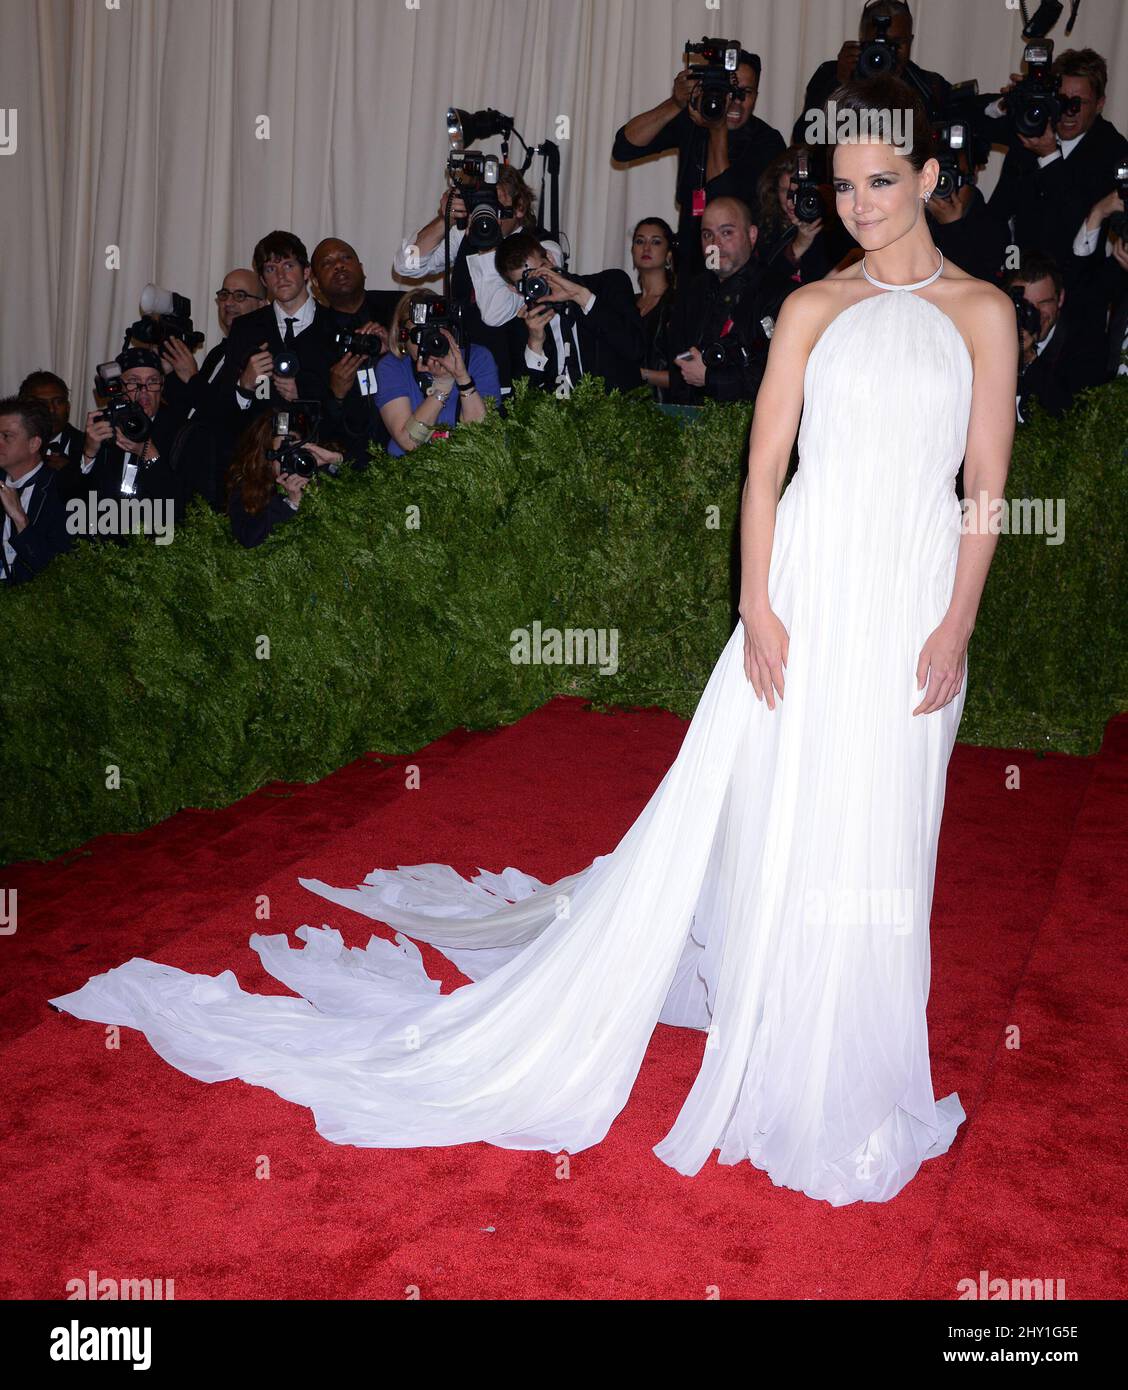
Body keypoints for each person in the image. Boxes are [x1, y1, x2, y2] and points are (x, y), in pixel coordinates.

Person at [50, 75, 1018, 1207]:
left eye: (882, 183)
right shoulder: (812, 308)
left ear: (933, 181)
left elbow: (986, 485)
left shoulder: (982, 314)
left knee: (886, 821)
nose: (859, 204)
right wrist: (757, 605)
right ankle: (782, 1033)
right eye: (843, 185)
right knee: (787, 809)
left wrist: (956, 620)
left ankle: (858, 1047)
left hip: (909, 592)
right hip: (805, 583)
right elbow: (763, 472)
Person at [612, 43, 784, 281]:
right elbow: (624, 147)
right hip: (691, 256)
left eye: (745, 93)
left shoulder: (767, 140)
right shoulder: (694, 120)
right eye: (729, 91)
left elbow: (722, 199)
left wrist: (717, 128)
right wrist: (675, 103)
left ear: (756, 95)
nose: (735, 101)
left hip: (739, 267)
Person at [393, 168, 564, 396]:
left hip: (519, 377)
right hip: (466, 370)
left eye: (496, 205)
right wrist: (444, 219)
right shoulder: (466, 234)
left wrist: (487, 242)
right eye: (483, 204)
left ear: (520, 206)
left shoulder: (544, 249)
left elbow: (495, 314)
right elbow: (407, 265)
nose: (488, 212)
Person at [988, 49, 1128, 286]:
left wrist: (1050, 156)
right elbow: (999, 214)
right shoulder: (1033, 129)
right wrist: (1008, 103)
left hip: (1076, 291)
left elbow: (1078, 222)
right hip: (1020, 280)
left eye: (1079, 103)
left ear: (1100, 104)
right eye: (1062, 100)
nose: (1068, 112)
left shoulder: (1113, 151)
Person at [667, 197, 797, 405]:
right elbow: (676, 361)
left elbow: (781, 374)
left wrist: (710, 378)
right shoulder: (692, 292)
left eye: (726, 232)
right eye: (707, 235)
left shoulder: (778, 292)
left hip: (750, 426)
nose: (715, 245)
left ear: (752, 235)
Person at [793, 0, 951, 154]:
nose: (887, 52)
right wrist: (840, 84)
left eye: (896, 43)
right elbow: (804, 139)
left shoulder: (929, 86)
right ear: (861, 39)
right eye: (877, 44)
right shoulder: (831, 73)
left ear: (910, 41)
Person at [497, 233, 645, 396]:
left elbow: (636, 349)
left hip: (617, 414)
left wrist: (582, 297)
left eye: (540, 272)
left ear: (551, 259)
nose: (538, 284)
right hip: (560, 417)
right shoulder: (523, 324)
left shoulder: (607, 285)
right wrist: (535, 345)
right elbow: (521, 402)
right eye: (526, 283)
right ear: (514, 290)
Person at [375, 289, 497, 456]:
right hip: (408, 471)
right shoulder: (392, 367)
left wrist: (462, 378)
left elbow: (482, 437)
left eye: (436, 331)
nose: (429, 340)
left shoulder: (477, 358)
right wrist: (442, 386)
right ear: (402, 336)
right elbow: (409, 442)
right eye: (420, 333)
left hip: (468, 469)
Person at [310, 237, 392, 464]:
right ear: (315, 282)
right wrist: (335, 394)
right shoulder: (310, 341)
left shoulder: (399, 308)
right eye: (327, 263)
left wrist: (396, 348)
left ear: (362, 269)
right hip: (348, 462)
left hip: (408, 450)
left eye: (346, 257)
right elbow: (313, 425)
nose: (339, 265)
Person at [1003, 253, 1108, 422]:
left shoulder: (1086, 343)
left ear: (1060, 299)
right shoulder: (993, 336)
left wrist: (1029, 358)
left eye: (1044, 303)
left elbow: (1073, 415)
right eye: (1025, 305)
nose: (1035, 314)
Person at [225, 412, 343, 549]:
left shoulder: (318, 473)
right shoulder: (246, 488)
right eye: (283, 451)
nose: (290, 458)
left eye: (295, 450)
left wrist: (335, 461)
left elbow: (366, 475)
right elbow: (248, 538)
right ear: (265, 456)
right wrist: (290, 503)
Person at [0, 396, 72, 585]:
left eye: (6, 436)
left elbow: (59, 572)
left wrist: (20, 520)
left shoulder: (62, 491)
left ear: (34, 444)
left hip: (35, 605)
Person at [631, 218, 678, 401]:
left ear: (668, 255)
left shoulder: (678, 304)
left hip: (665, 412)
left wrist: (640, 374)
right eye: (640, 241)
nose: (646, 248)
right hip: (624, 412)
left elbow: (686, 376)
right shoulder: (625, 303)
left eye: (656, 242)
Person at [17, 371, 84, 472]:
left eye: (58, 402)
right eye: (41, 403)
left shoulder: (90, 448)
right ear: (23, 409)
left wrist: (72, 474)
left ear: (68, 407)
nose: (51, 409)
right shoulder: (7, 446)